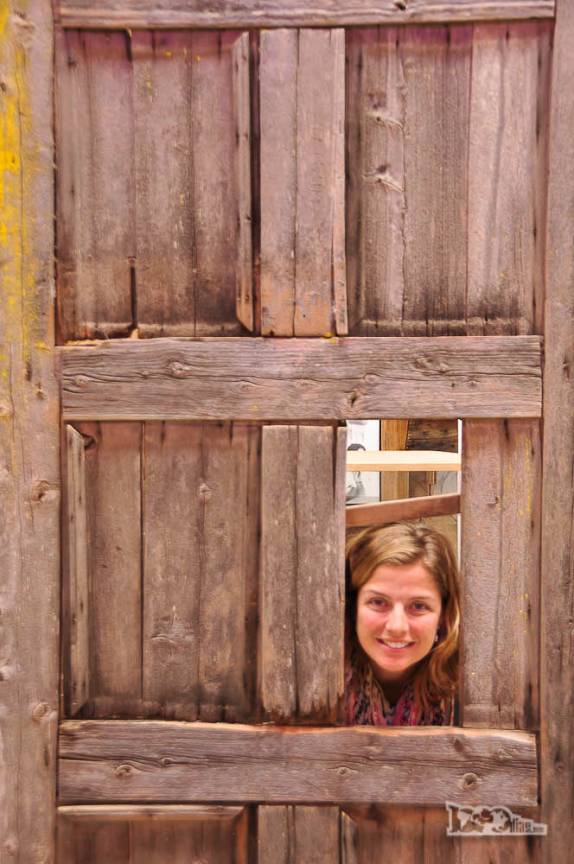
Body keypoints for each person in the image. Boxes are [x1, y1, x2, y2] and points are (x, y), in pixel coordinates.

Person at [345, 522, 460, 726]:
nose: (397, 627)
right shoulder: (315, 679)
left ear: (443, 615)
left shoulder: (472, 689)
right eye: (378, 602)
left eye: (418, 606)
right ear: (353, 607)